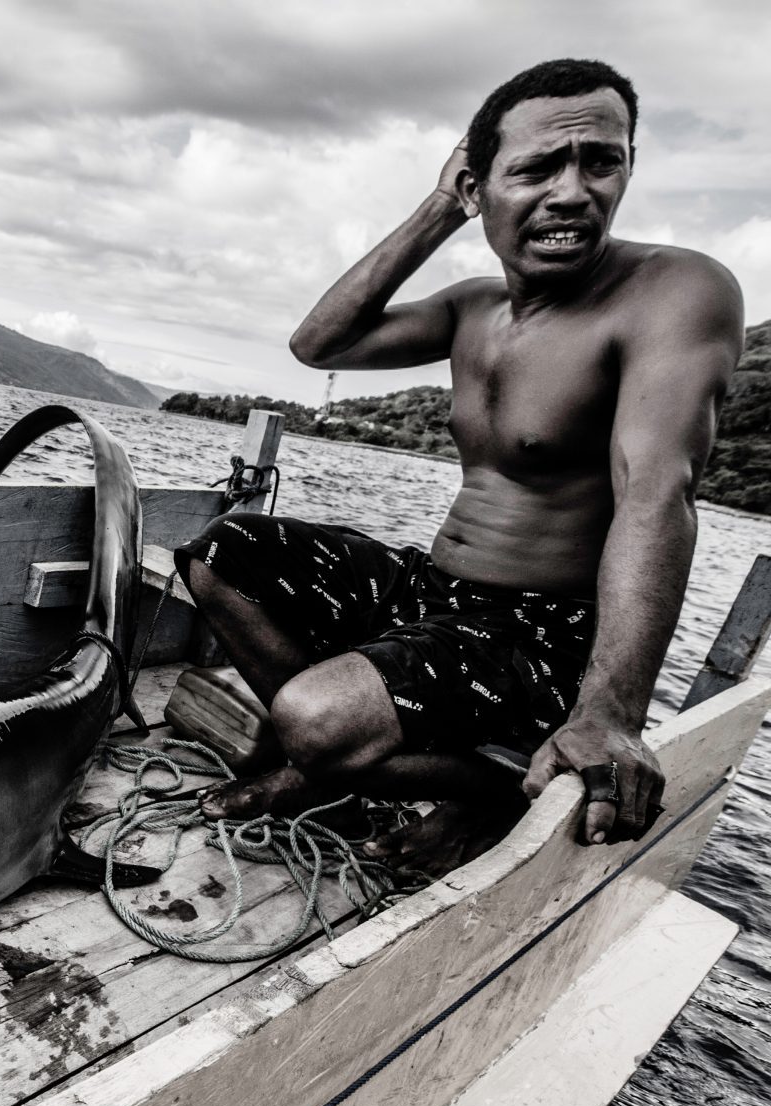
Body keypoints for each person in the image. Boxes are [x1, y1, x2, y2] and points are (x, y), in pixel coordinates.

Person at [175, 58, 744, 870]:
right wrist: (442, 204)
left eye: (602, 161)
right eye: (539, 167)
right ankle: (342, 764)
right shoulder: (474, 306)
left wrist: (611, 713)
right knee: (220, 554)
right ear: (481, 187)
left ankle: (478, 786)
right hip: (436, 595)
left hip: (541, 633)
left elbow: (658, 492)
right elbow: (319, 344)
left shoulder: (674, 290)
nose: (575, 191)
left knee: (310, 717)